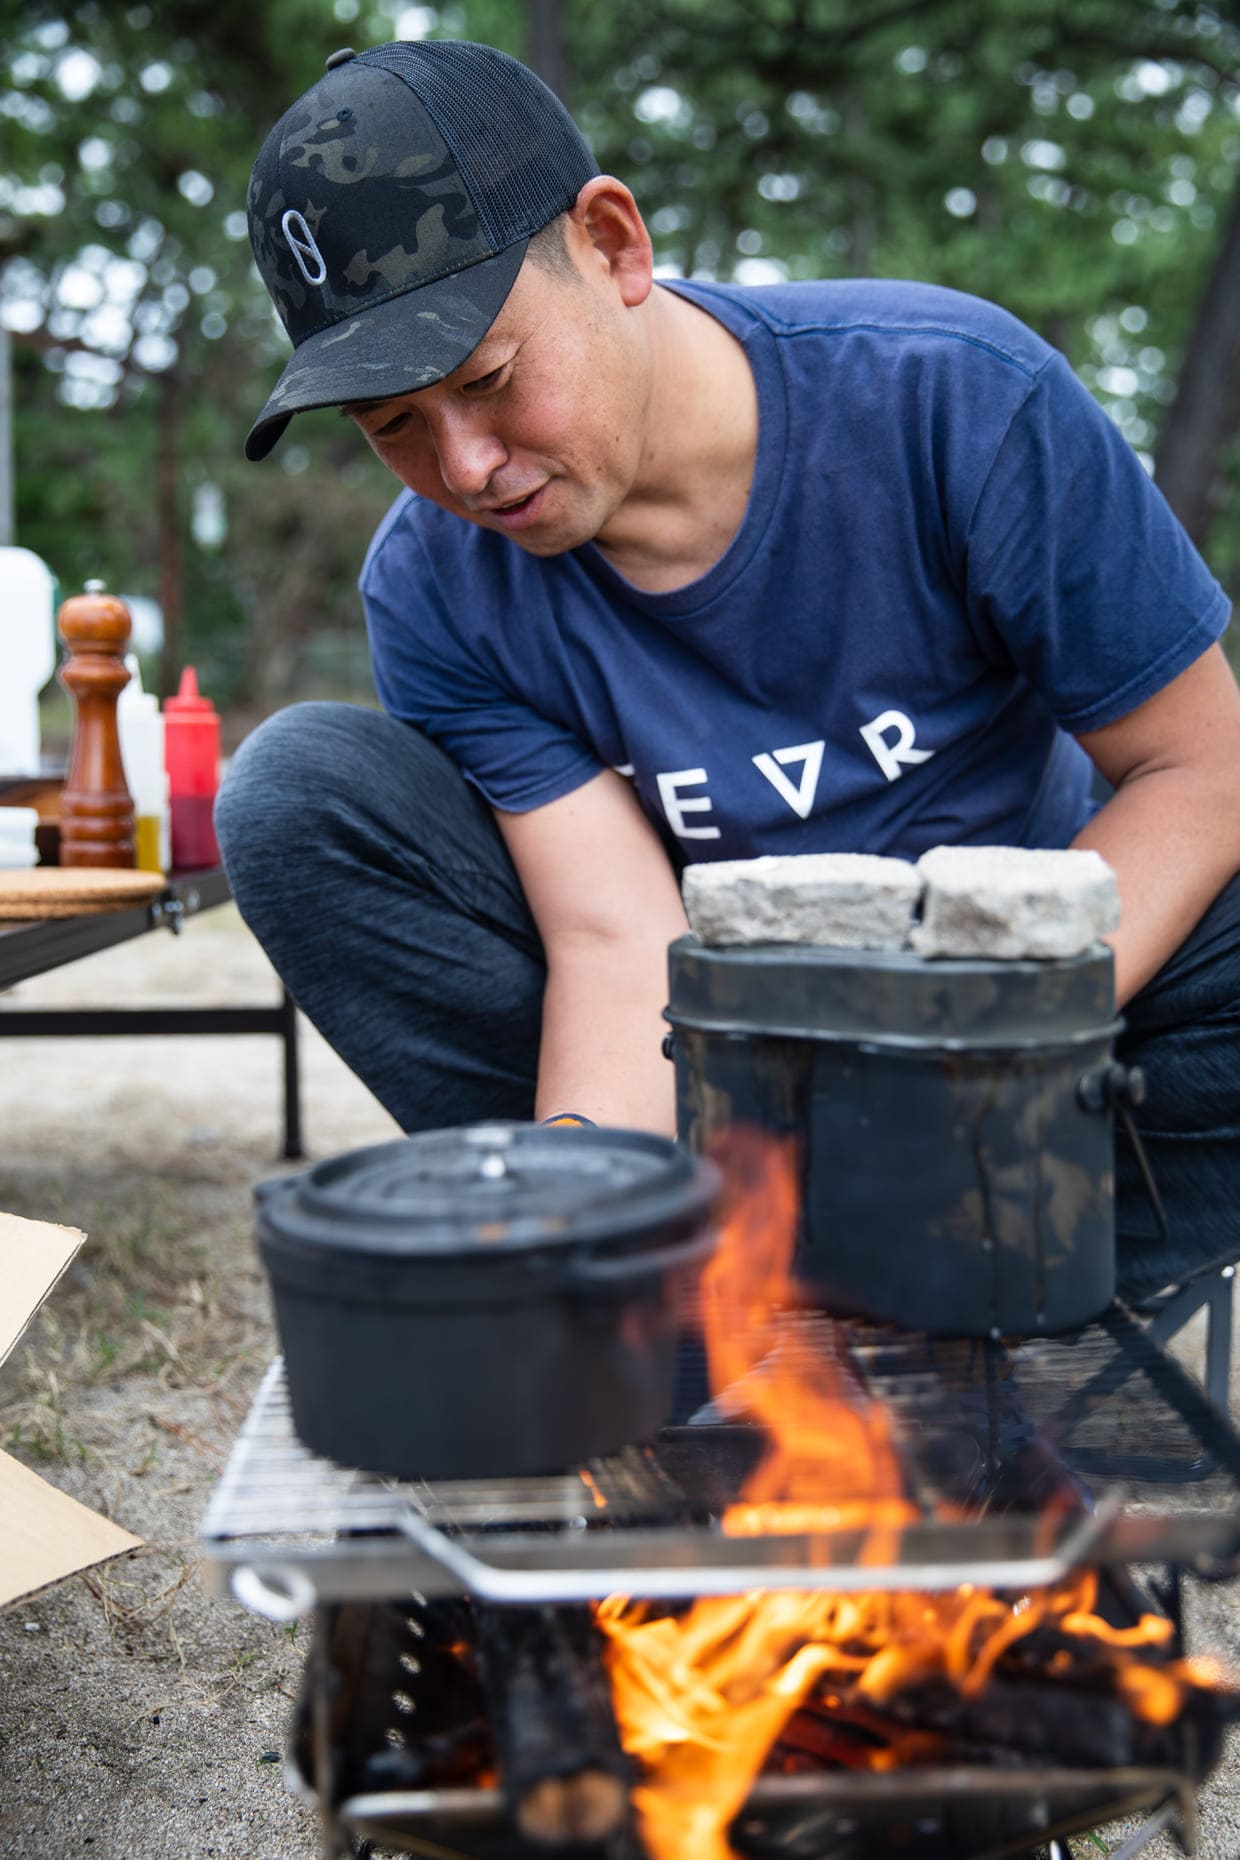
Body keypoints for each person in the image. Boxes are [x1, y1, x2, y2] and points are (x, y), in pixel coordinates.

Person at [217, 38, 1240, 1304]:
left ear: (613, 244)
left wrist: (967, 1049)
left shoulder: (959, 401)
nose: (467, 468)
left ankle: (944, 1262)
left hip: (1021, 1049)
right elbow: (612, 934)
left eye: (487, 379)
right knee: (300, 793)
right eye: (394, 429)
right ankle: (671, 1262)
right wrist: (576, 1187)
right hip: (717, 1070)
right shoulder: (434, 585)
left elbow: (1200, 770)